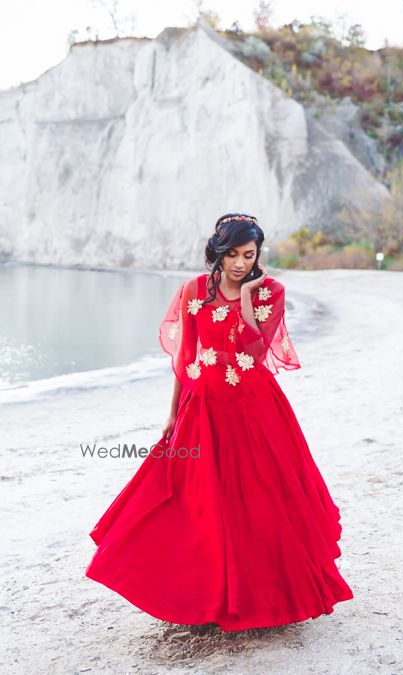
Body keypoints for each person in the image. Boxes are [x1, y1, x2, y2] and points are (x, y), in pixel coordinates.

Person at [85, 212, 354, 632]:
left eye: (249, 255)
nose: (240, 263)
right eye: (232, 254)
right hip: (203, 404)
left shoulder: (271, 292)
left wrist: (247, 295)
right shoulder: (193, 290)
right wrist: (172, 412)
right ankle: (202, 599)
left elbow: (256, 346)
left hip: (254, 406)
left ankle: (265, 599)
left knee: (262, 499)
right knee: (197, 502)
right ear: (218, 252)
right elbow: (184, 358)